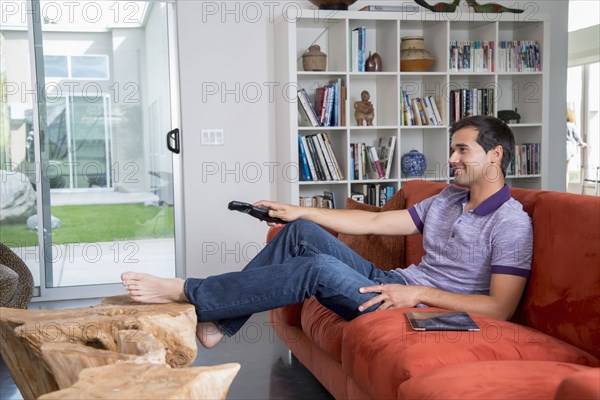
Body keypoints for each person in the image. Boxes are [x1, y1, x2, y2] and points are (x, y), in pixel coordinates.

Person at [122, 115, 533, 350]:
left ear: (495, 155)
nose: (451, 158)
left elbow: (499, 308)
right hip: (392, 285)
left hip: (413, 304)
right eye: (453, 148)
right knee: (300, 232)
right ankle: (218, 326)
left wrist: (419, 294)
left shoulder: (511, 222)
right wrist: (297, 210)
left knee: (316, 267)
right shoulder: (447, 199)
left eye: (462, 150)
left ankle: (189, 291)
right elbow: (374, 223)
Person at [566, 108, 586, 189]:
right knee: (566, 171)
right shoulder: (571, 125)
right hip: (568, 148)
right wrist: (582, 143)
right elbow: (577, 137)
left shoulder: (558, 124)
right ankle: (565, 188)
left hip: (560, 148)